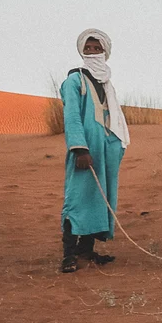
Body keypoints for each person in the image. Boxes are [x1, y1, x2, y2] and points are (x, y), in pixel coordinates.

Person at [60, 29, 130, 272]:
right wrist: (80, 149)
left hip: (105, 150)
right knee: (77, 198)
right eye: (87, 48)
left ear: (105, 51)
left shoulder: (106, 83)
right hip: (85, 150)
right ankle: (69, 255)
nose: (92, 53)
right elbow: (71, 117)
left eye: (97, 48)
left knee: (99, 198)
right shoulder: (74, 80)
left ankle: (86, 250)